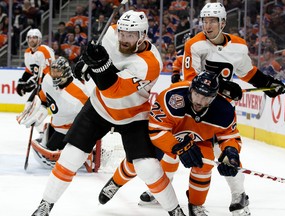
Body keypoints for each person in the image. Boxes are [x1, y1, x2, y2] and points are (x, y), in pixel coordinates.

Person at [31, 10, 185, 216]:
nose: (123, 39)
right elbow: (102, 57)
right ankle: (45, 205)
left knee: (147, 167)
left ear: (143, 36)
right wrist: (87, 60)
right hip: (99, 108)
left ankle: (174, 210)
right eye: (122, 33)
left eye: (130, 35)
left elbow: (114, 90)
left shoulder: (150, 63)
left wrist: (98, 66)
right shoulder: (112, 34)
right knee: (71, 156)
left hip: (133, 116)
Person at [180, 2, 285, 215]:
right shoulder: (194, 44)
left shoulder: (238, 45)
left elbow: (247, 72)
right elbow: (191, 80)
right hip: (197, 109)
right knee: (187, 155)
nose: (207, 26)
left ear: (223, 23)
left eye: (212, 21)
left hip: (222, 114)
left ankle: (239, 197)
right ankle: (161, 193)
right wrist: (225, 86)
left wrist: (266, 84)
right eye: (204, 21)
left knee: (229, 156)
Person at [148, 71, 246, 216]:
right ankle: (157, 187)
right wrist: (178, 147)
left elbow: (229, 136)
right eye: (197, 95)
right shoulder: (174, 96)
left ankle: (196, 205)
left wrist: (231, 153)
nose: (200, 101)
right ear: (190, 90)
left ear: (213, 98)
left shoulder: (223, 109)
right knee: (151, 158)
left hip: (201, 138)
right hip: (174, 133)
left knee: (205, 164)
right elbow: (156, 130)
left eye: (206, 98)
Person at [17, 57, 92, 171]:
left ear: (66, 72)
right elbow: (43, 95)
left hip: (68, 131)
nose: (54, 75)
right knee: (46, 148)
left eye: (58, 72)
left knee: (49, 157)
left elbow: (90, 117)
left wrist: (81, 140)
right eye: (53, 71)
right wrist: (40, 106)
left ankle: (83, 154)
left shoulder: (78, 94)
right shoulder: (48, 79)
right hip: (56, 124)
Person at [16, 28, 55, 128]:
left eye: (34, 37)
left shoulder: (44, 50)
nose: (31, 40)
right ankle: (42, 133)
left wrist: (34, 83)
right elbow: (29, 71)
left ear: (39, 40)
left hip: (52, 86)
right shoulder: (27, 52)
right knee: (28, 107)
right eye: (29, 37)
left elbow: (51, 73)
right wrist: (22, 82)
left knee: (36, 110)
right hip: (41, 85)